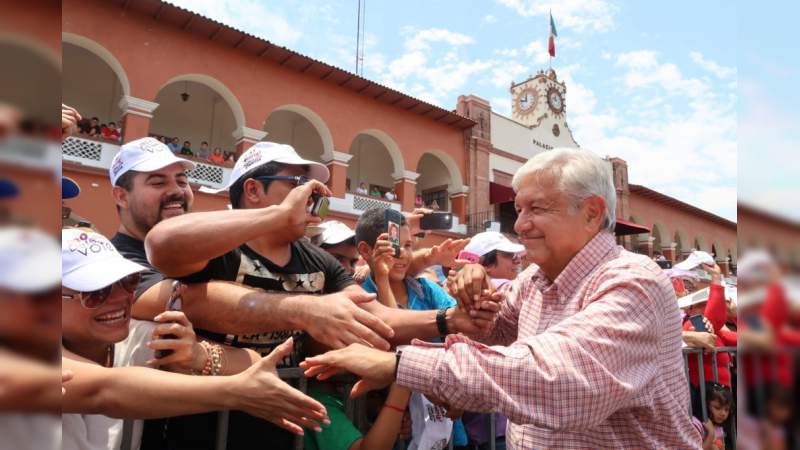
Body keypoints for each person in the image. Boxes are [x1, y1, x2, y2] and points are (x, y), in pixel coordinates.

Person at [302, 148, 701, 449]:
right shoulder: (533, 282)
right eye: (518, 209)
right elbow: (484, 330)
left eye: (536, 208)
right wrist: (472, 298)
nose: (521, 225)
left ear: (592, 213)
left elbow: (559, 381)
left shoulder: (632, 280)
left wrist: (400, 364)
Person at [144, 142, 501, 448]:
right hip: (202, 426)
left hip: (282, 430)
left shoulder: (315, 259)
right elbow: (162, 243)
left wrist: (449, 319)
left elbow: (375, 315)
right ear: (253, 190)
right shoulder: (219, 245)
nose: (311, 199)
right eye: (298, 185)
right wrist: (278, 217)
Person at [60, 228, 329, 450]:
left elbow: (252, 362)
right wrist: (237, 392)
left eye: (128, 281)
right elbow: (105, 392)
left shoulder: (139, 335)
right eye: (94, 292)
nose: (120, 298)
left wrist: (199, 356)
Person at [353, 207, 468, 447]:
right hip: (396, 426)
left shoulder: (426, 289)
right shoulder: (360, 296)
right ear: (365, 250)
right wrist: (382, 279)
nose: (403, 255)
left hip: (446, 423)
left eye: (407, 246)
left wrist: (458, 389)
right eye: (393, 246)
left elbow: (462, 328)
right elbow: (395, 337)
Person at [694, 383, 734, 450]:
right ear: (705, 405)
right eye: (717, 408)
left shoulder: (718, 427)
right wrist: (711, 435)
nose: (723, 413)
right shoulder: (696, 424)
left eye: (726, 409)